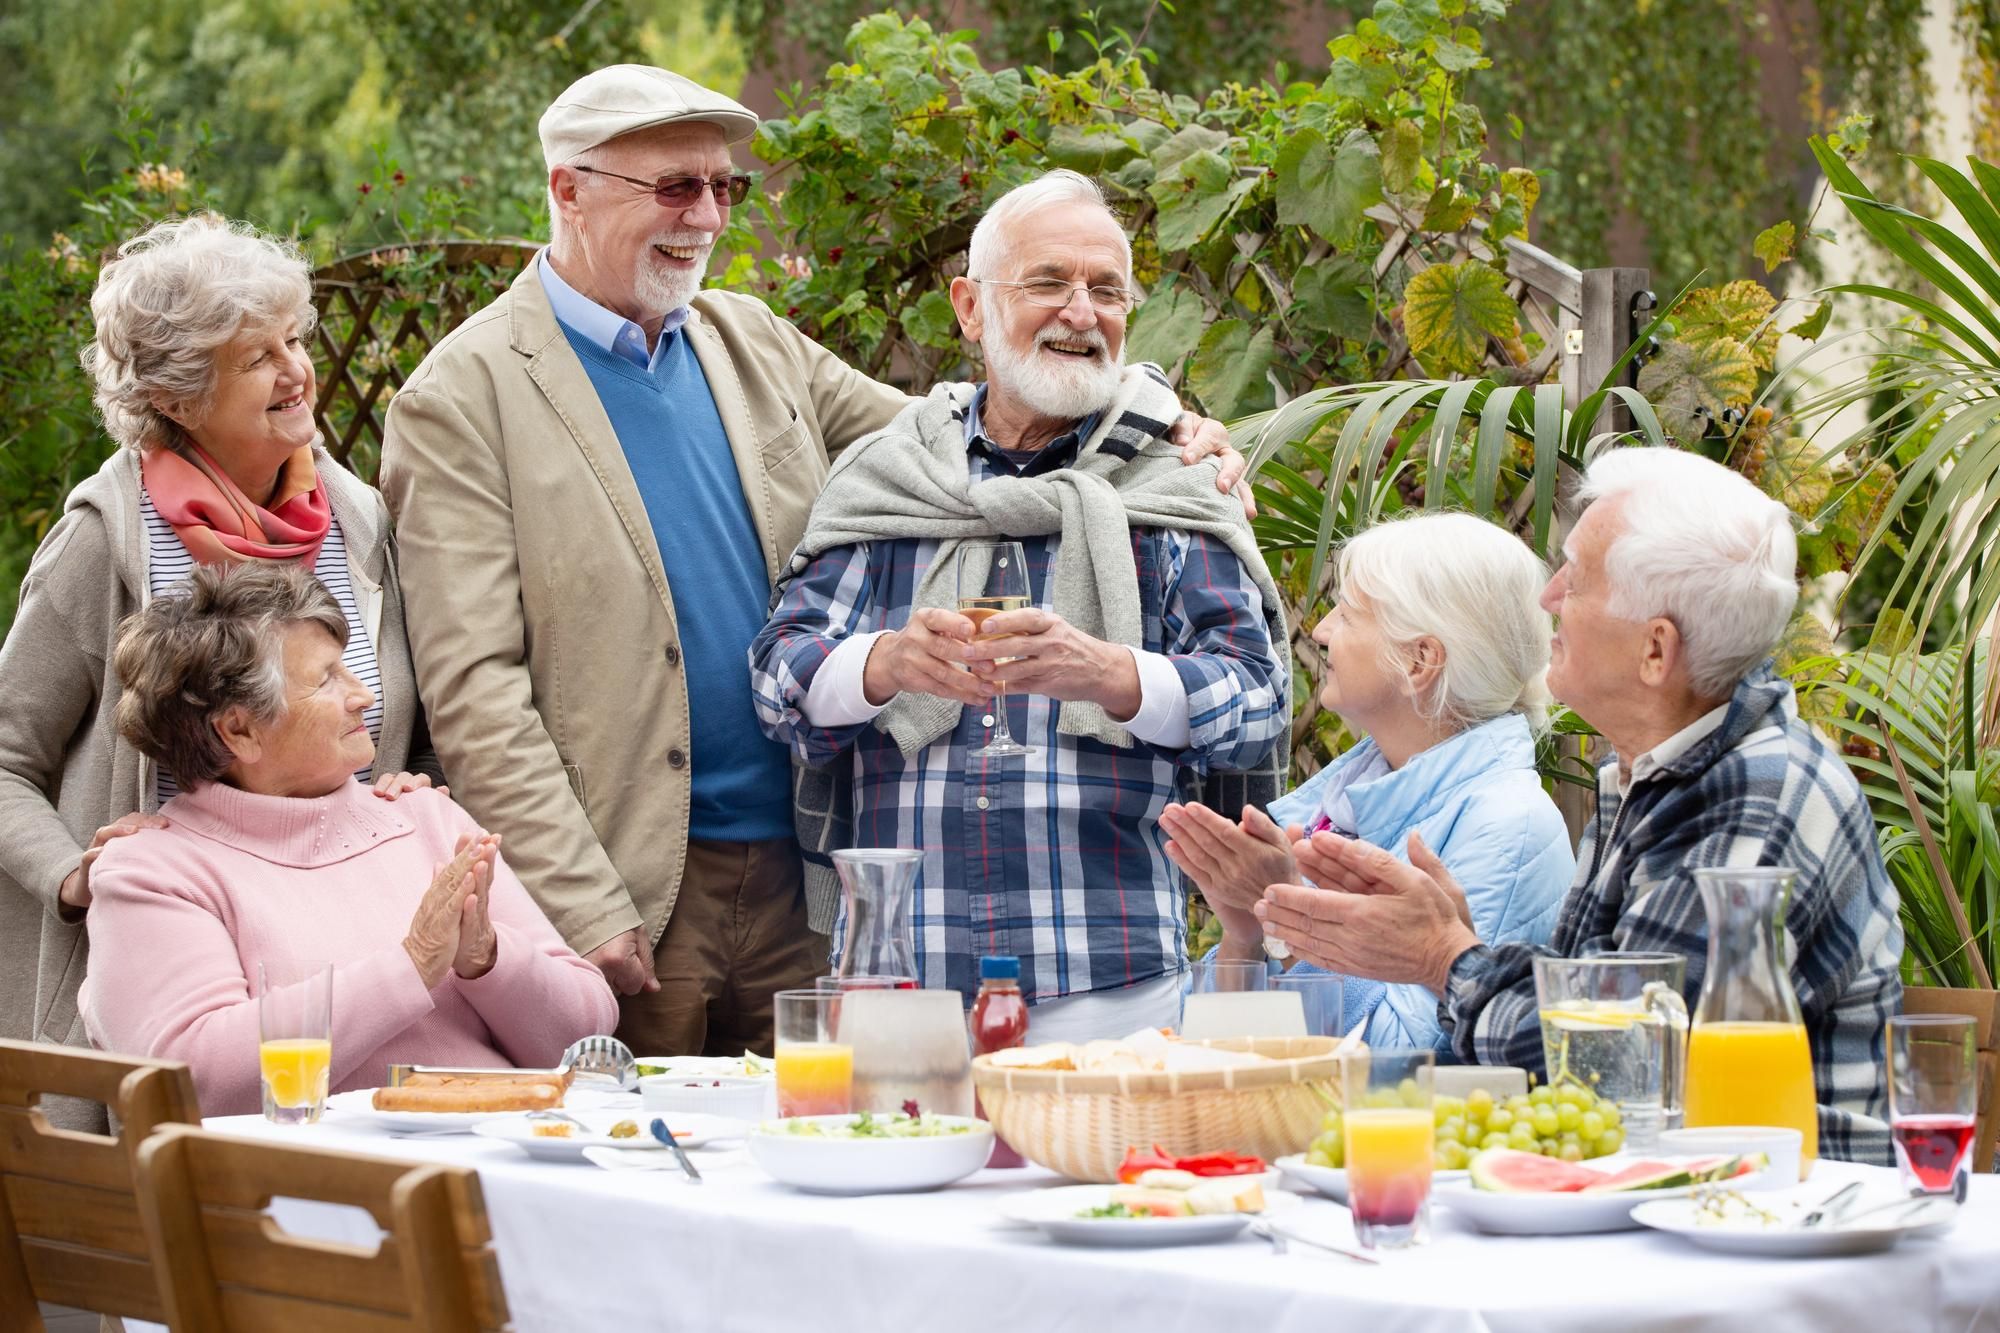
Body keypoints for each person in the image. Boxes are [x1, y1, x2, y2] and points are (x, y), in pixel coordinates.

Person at [378, 66, 1245, 1056]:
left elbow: (967, 443)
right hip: (634, 890)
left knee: (819, 1152)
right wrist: (580, 899)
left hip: (803, 877)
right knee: (647, 1181)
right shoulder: (462, 395)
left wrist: (1170, 429)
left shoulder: (745, 340)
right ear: (566, 190)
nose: (705, 216)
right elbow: (473, 685)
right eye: (673, 187)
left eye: (723, 187)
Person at [750, 169, 1289, 1041]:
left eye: (1106, 290)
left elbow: (1259, 697)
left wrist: (1118, 676)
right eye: (1048, 283)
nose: (1081, 312)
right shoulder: (891, 477)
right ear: (970, 307)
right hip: (901, 985)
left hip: (1110, 986)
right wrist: (883, 665)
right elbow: (778, 675)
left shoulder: (1172, 479)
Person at [1254, 447, 1903, 1161]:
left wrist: (1444, 955)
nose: (1549, 596)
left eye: (1579, 578)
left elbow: (1621, 1062)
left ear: (1656, 650)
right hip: (1689, 1197)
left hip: (1785, 1220)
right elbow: (1590, 1001)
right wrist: (1456, 946)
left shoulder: (1756, 794)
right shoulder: (1652, 773)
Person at [0, 216, 438, 1125]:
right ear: (178, 394)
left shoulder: (355, 518)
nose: (297, 370)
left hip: (337, 967)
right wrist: (73, 876)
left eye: (296, 339)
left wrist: (401, 784)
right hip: (164, 981)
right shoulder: (107, 535)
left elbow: (396, 726)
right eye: (257, 358)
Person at [80, 563, 616, 1116]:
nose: (362, 695)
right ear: (239, 730)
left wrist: (489, 959)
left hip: (515, 1160)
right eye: (327, 679)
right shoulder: (154, 872)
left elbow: (587, 1035)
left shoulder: (427, 817)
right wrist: (411, 966)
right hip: (323, 1188)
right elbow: (193, 1080)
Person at [1160, 512, 1574, 1049]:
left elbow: (1407, 1061)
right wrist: (1248, 934)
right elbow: (1206, 1053)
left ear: (1420, 659)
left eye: (1349, 614)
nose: (1321, 630)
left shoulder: (1508, 825)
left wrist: (1289, 919)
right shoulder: (1338, 808)